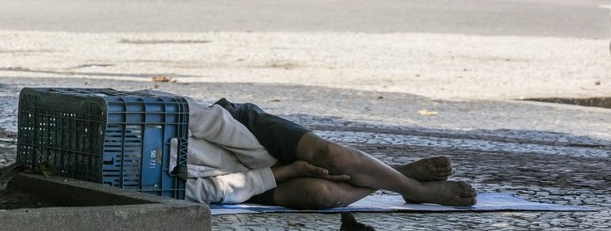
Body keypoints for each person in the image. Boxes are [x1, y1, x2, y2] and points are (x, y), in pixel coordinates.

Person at [183, 98, 477, 208]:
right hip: (244, 179)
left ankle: (415, 190)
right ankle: (396, 175)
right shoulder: (135, 181)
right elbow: (208, 192)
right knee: (320, 194)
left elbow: (214, 123)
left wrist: (273, 161)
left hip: (242, 129)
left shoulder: (140, 106)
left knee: (334, 157)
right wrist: (284, 172)